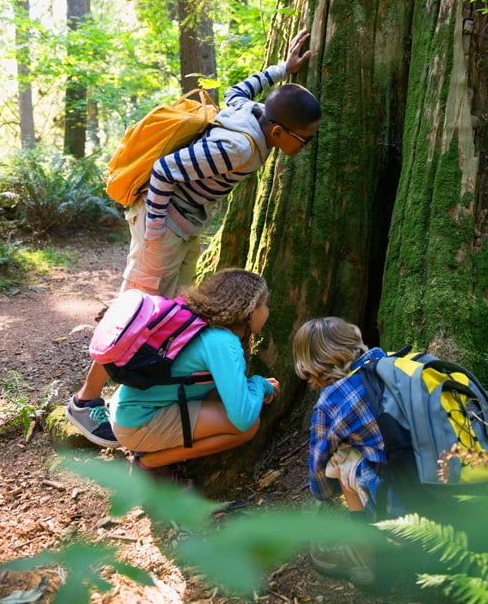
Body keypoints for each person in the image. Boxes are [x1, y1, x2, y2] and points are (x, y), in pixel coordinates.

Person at [66, 29, 318, 446]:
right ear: (278, 132)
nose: (305, 145)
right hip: (163, 222)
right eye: (303, 138)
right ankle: (85, 400)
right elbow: (165, 171)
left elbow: (239, 88)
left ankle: (150, 392)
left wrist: (283, 70)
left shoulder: (248, 111)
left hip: (184, 222)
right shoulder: (239, 147)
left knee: (169, 308)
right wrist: (156, 233)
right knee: (133, 314)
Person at [109, 268, 279, 476]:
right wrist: (259, 385)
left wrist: (252, 388)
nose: (268, 312)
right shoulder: (223, 342)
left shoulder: (199, 323)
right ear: (251, 311)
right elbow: (242, 417)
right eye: (266, 305)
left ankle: (152, 448)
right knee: (250, 426)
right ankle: (150, 461)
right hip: (138, 423)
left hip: (128, 410)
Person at [292, 317, 401, 586]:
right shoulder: (390, 363)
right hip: (445, 473)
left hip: (399, 495)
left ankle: (364, 552)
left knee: (340, 460)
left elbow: (320, 467)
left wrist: (324, 493)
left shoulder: (330, 401)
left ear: (311, 366)